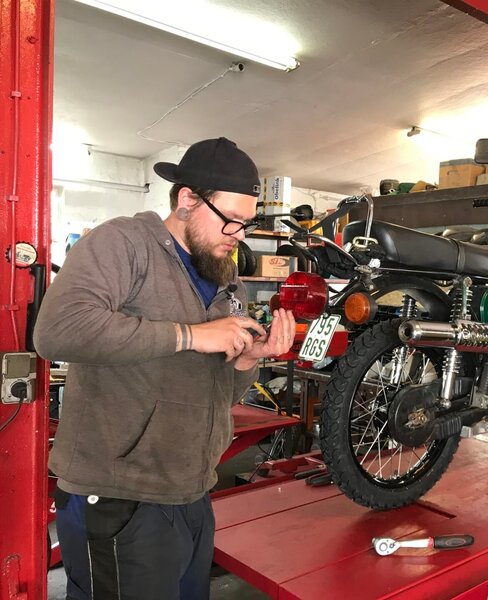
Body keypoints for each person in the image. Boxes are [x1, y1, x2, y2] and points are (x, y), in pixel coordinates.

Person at [34, 137, 296, 600]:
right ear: (187, 199)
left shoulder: (223, 275)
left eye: (246, 223)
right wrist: (191, 335)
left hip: (190, 490)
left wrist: (247, 360)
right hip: (119, 495)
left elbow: (218, 390)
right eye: (230, 219)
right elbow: (57, 331)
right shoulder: (123, 242)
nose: (238, 235)